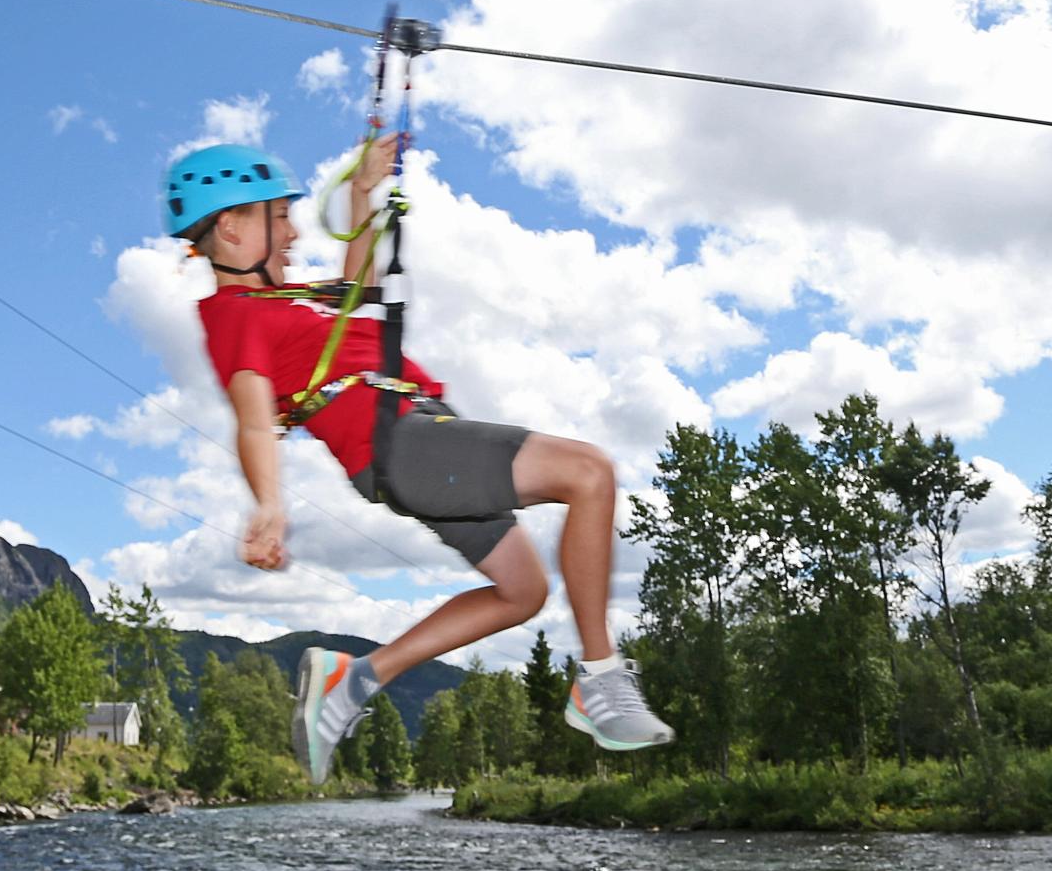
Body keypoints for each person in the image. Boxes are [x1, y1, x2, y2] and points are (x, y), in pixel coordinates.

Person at [167, 138, 673, 782]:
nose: (294, 231)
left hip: (417, 446)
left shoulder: (279, 305)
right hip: (407, 447)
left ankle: (355, 680)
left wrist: (362, 194)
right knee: (589, 473)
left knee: (522, 592)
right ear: (233, 229)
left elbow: (357, 292)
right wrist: (268, 501)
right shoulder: (234, 317)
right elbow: (251, 414)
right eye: (280, 216)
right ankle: (599, 682)